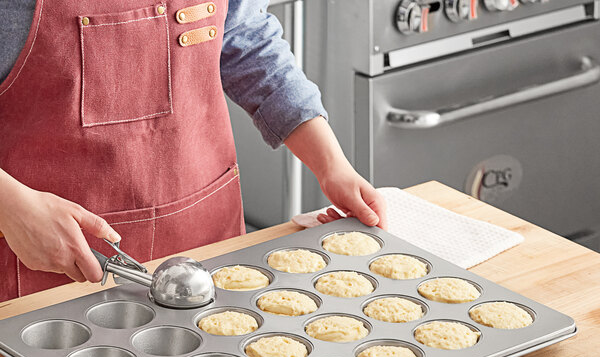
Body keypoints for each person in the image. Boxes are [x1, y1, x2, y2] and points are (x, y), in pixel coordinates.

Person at [0, 0, 386, 302]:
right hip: (48, 260)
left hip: (205, 242)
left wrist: (331, 163)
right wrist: (11, 206)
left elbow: (244, 36)